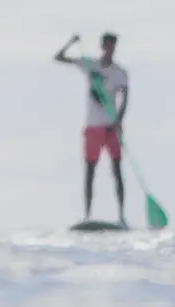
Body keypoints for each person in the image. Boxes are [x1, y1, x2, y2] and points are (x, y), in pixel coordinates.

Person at [54, 31, 129, 224]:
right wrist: (71, 42)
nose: (110, 49)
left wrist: (119, 120)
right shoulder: (91, 65)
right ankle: (87, 216)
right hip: (93, 127)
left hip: (111, 128)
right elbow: (59, 58)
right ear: (102, 46)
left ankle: (121, 216)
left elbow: (125, 98)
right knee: (90, 171)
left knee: (117, 170)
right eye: (108, 45)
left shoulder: (119, 72)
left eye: (113, 46)